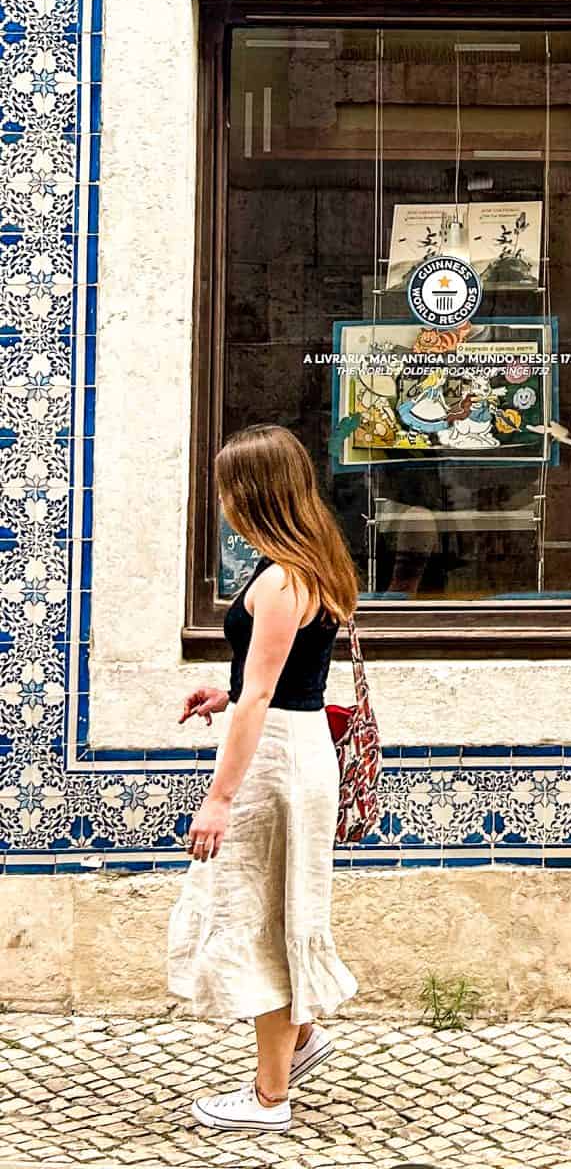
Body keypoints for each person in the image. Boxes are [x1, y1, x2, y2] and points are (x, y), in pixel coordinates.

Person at [168, 424, 361, 1134]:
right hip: (296, 742)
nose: (221, 499)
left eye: (227, 487)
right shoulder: (311, 561)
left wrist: (218, 800)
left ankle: (269, 1099)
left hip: (276, 758)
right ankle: (300, 1042)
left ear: (252, 492)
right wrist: (222, 695)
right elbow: (278, 680)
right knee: (277, 906)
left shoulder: (282, 579)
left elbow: (262, 696)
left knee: (261, 920)